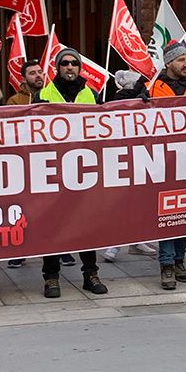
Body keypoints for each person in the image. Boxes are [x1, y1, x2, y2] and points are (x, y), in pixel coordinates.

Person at [36, 48, 107, 297]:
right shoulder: (42, 94)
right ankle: (51, 277)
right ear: (57, 67)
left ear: (79, 68)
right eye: (64, 63)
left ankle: (90, 274)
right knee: (53, 226)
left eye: (74, 63)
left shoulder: (93, 95)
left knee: (86, 225)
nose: (69, 67)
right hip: (53, 172)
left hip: (84, 170)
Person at [149, 41, 186, 289]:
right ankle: (167, 265)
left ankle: (180, 260)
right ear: (169, 62)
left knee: (185, 213)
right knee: (166, 213)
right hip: (162, 161)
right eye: (181, 60)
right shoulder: (152, 87)